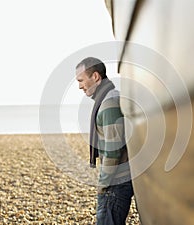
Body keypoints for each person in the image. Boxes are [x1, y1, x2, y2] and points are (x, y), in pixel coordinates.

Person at [75, 57, 133, 225]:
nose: (79, 86)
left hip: (115, 184)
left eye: (81, 80)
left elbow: (113, 150)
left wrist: (103, 184)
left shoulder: (109, 103)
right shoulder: (109, 98)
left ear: (95, 77)